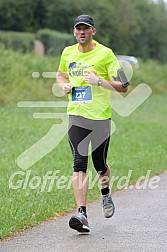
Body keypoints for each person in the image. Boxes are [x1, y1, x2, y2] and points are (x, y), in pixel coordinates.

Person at [56, 14, 128, 233]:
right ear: (74, 31)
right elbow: (60, 75)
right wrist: (64, 85)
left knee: (100, 165)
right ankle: (82, 213)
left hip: (100, 118)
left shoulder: (106, 54)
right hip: (76, 115)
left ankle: (105, 195)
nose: (81, 32)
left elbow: (124, 85)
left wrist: (100, 81)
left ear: (93, 32)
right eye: (78, 29)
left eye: (85, 29)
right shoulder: (67, 52)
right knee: (79, 162)